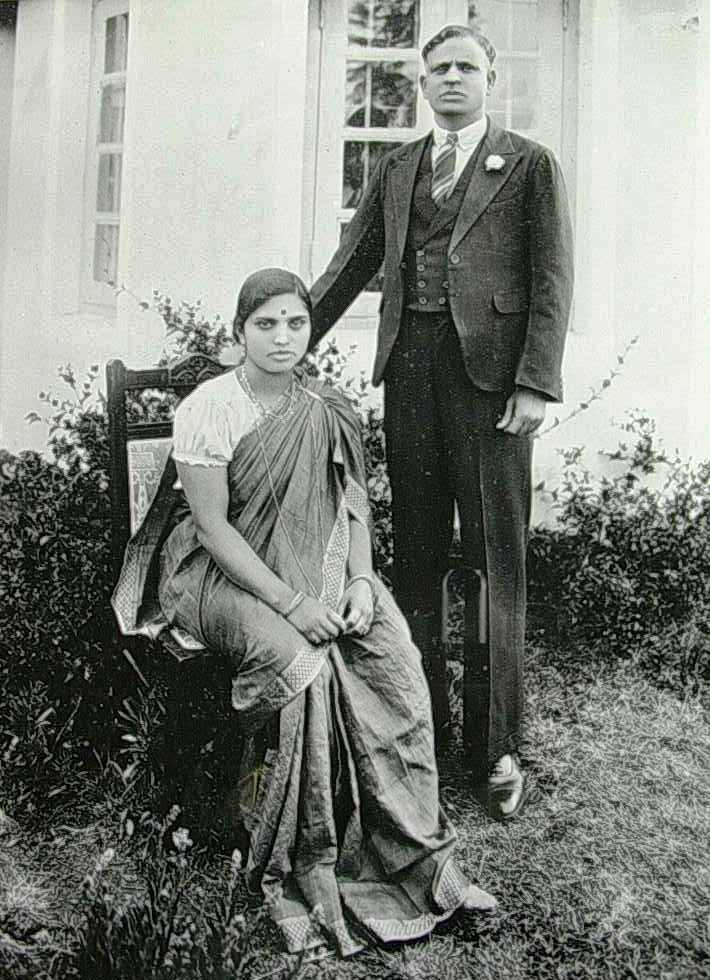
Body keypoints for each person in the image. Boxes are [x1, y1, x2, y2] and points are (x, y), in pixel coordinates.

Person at [112, 268, 497, 959]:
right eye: (266, 324)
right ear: (239, 332)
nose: (282, 337)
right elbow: (213, 531)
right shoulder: (210, 408)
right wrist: (293, 604)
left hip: (315, 563)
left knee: (393, 654)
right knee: (301, 661)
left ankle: (421, 860)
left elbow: (351, 505)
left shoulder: (326, 407)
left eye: (295, 322)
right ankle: (307, 859)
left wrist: (361, 581)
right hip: (214, 577)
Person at [310, 24, 574, 821]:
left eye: (466, 67)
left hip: (492, 389)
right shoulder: (397, 169)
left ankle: (496, 749)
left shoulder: (528, 164)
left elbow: (552, 279)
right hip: (411, 377)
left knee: (496, 559)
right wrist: (285, 341)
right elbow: (351, 265)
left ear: (491, 78)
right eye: (438, 69)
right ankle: (419, 729)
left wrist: (535, 383)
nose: (451, 79)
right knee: (417, 555)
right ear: (422, 83)